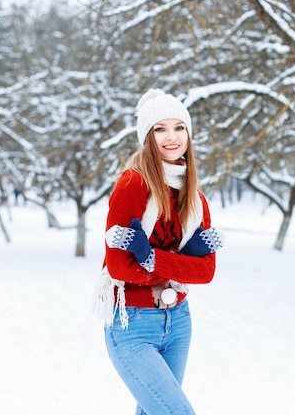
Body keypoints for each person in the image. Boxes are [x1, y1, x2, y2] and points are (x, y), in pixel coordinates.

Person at [94, 89, 224, 415]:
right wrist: (182, 263)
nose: (171, 137)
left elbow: (206, 271)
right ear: (147, 136)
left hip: (178, 320)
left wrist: (151, 258)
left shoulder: (195, 198)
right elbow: (119, 268)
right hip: (132, 322)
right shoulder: (132, 185)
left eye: (179, 127)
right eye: (160, 128)